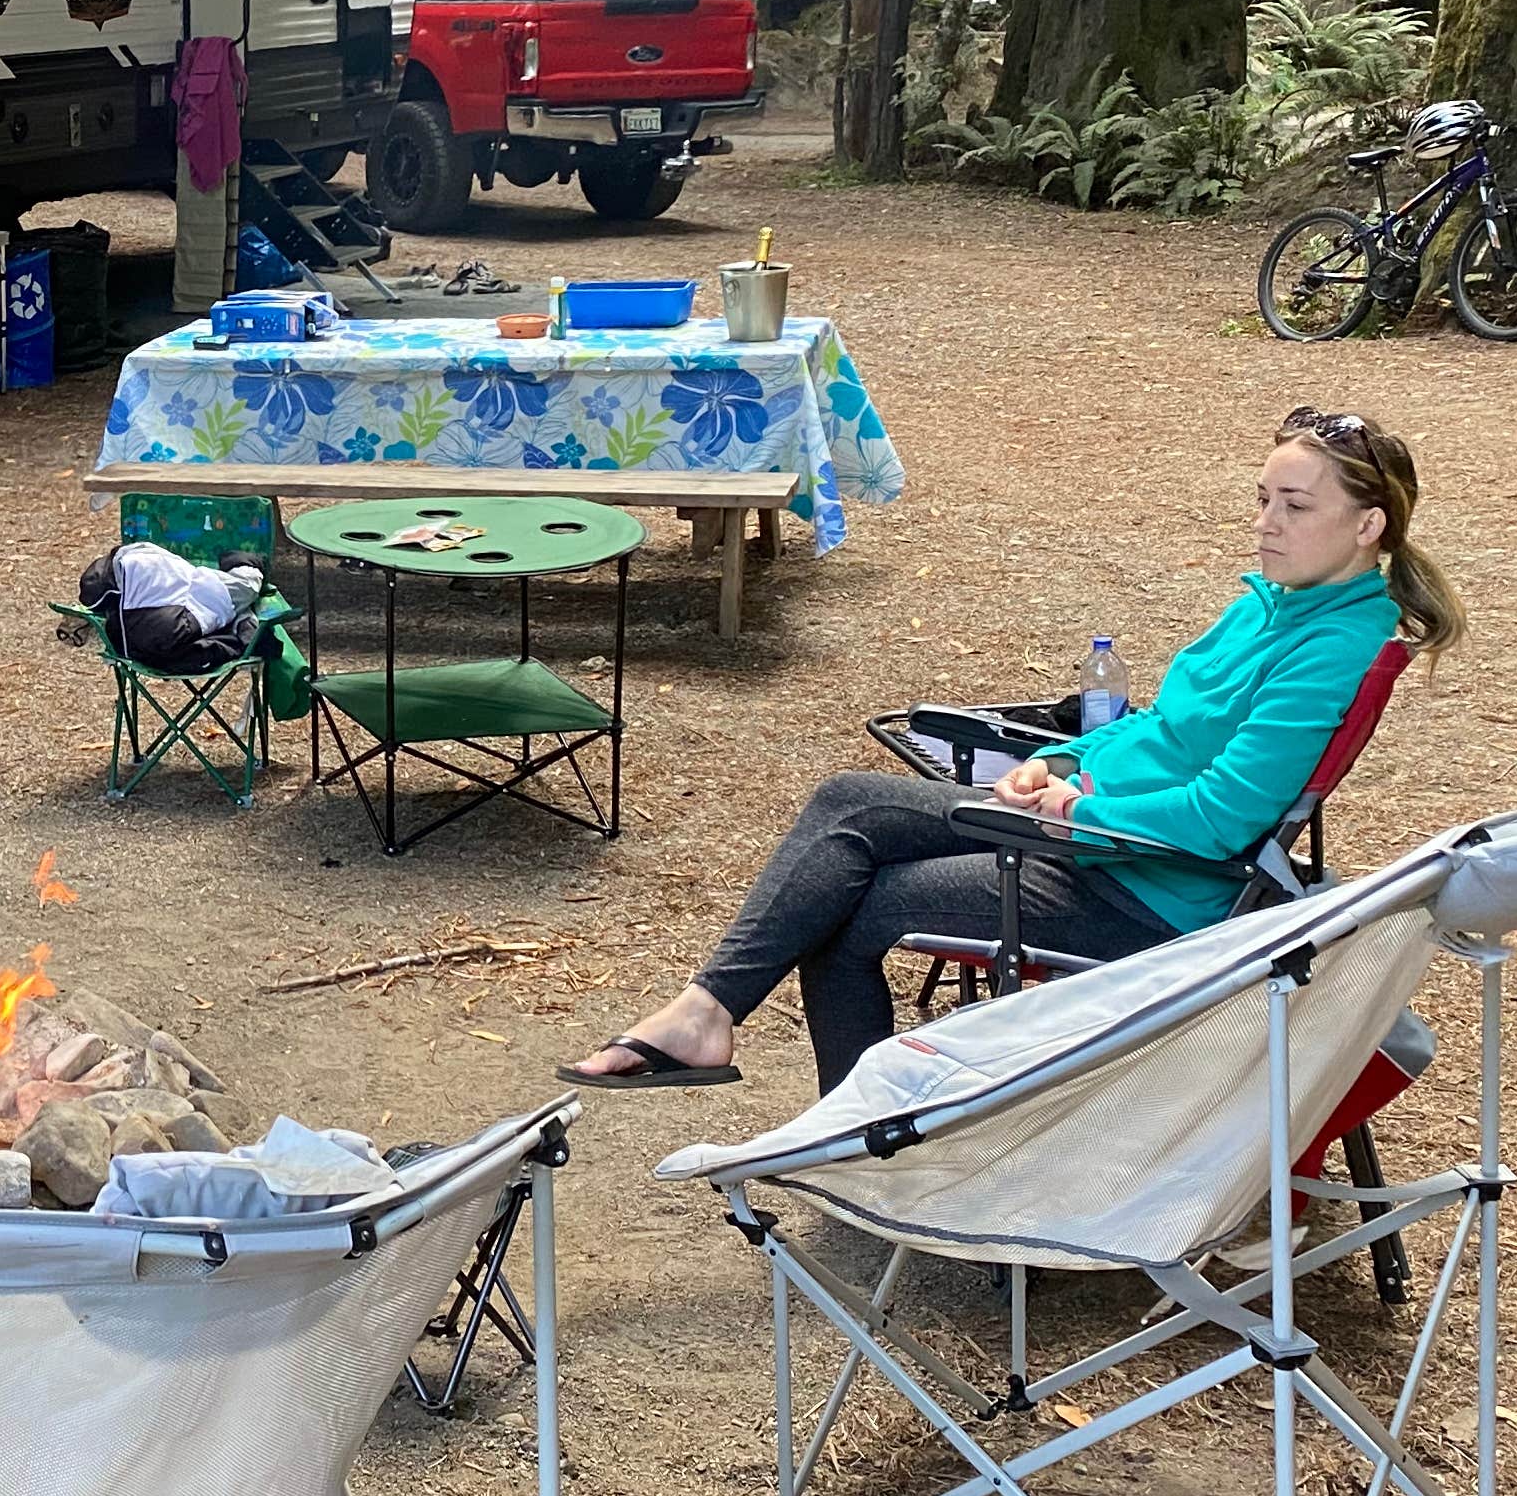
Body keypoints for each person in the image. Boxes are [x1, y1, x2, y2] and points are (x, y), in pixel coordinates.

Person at [563, 405, 1463, 1097]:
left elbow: (1223, 819)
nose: (1266, 522)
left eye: (1294, 505)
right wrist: (1063, 765)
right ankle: (719, 1025)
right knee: (847, 807)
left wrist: (1082, 813)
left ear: (1369, 526)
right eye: (1264, 498)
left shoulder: (1337, 645)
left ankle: (862, 1138)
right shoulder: (1269, 599)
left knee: (843, 912)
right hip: (1094, 835)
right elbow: (1157, 729)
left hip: (1147, 887)